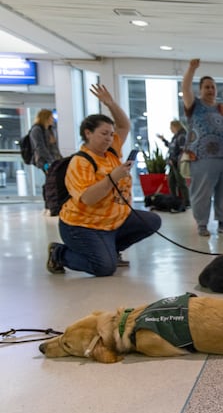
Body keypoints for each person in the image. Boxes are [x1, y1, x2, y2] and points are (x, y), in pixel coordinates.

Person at [46, 84, 162, 277]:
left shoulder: (111, 152)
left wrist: (110, 104)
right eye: (103, 134)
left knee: (151, 220)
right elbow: (88, 199)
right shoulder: (80, 162)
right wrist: (112, 178)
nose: (109, 138)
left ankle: (110, 249)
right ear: (88, 133)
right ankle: (59, 253)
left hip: (113, 221)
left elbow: (124, 125)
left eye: (110, 134)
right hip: (83, 226)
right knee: (104, 268)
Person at [182, 58, 223, 236]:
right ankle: (202, 224)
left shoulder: (222, 108)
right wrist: (191, 69)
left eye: (213, 87)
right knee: (202, 192)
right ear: (200, 90)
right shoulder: (195, 105)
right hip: (202, 156)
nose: (210, 90)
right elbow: (185, 88)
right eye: (206, 87)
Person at [157, 120, 190, 208]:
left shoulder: (182, 136)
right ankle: (174, 201)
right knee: (171, 182)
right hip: (172, 163)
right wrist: (163, 140)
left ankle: (187, 202)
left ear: (176, 126)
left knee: (181, 182)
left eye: (171, 127)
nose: (170, 129)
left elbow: (183, 151)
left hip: (177, 163)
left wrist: (175, 160)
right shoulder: (176, 137)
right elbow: (172, 147)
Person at [30, 109, 62, 174]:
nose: (53, 119)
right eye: (51, 117)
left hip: (54, 160)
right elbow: (40, 148)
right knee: (51, 179)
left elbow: (54, 146)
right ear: (46, 118)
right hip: (45, 161)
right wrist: (50, 161)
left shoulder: (49, 130)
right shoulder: (37, 130)